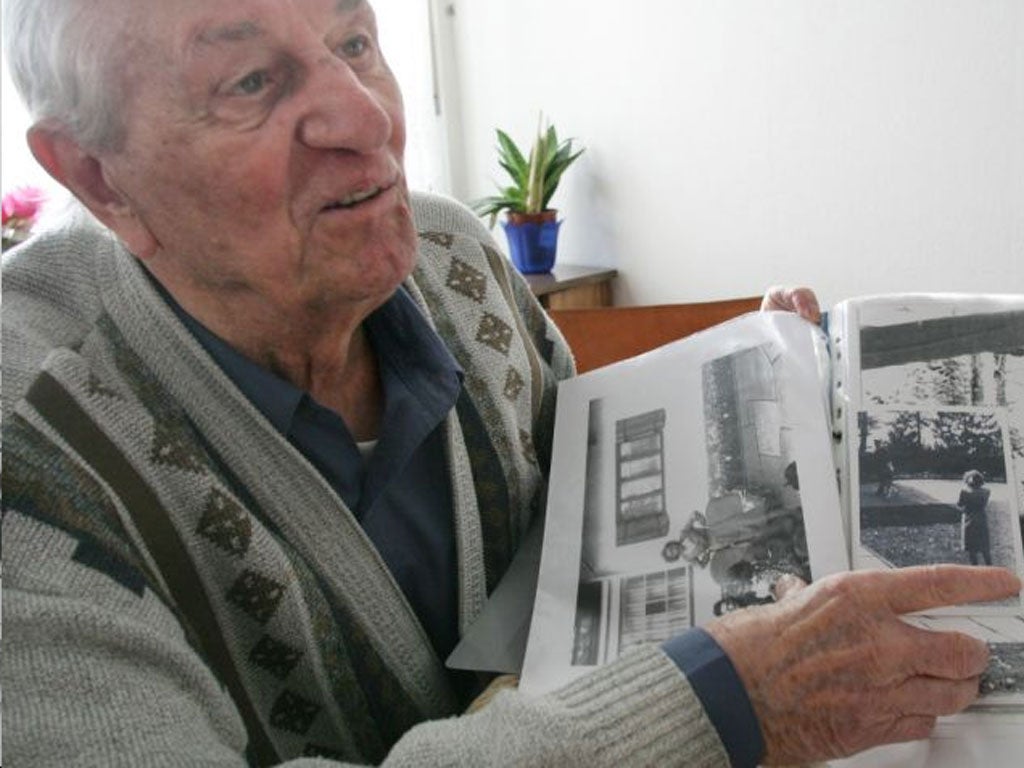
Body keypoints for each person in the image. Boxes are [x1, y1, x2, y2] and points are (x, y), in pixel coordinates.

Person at [1, 1, 1019, 766]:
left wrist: (759, 398)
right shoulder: (29, 445)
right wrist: (711, 704)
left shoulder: (447, 250)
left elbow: (571, 532)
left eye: (354, 40)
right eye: (252, 85)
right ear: (96, 175)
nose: (365, 118)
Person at [958, 469, 993, 566]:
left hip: (969, 518)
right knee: (984, 547)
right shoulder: (986, 491)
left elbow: (960, 504)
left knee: (971, 548)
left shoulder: (964, 492)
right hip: (981, 518)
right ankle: (989, 567)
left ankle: (975, 568)